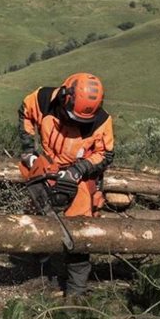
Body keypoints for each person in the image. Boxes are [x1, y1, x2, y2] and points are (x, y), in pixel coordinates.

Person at [18, 72, 114, 298]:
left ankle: (76, 291)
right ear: (64, 97)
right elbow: (25, 112)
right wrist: (28, 151)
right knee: (37, 215)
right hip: (48, 163)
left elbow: (105, 154)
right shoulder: (43, 99)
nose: (74, 122)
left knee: (78, 231)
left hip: (78, 171)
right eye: (72, 116)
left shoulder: (101, 120)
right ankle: (41, 270)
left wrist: (77, 170)